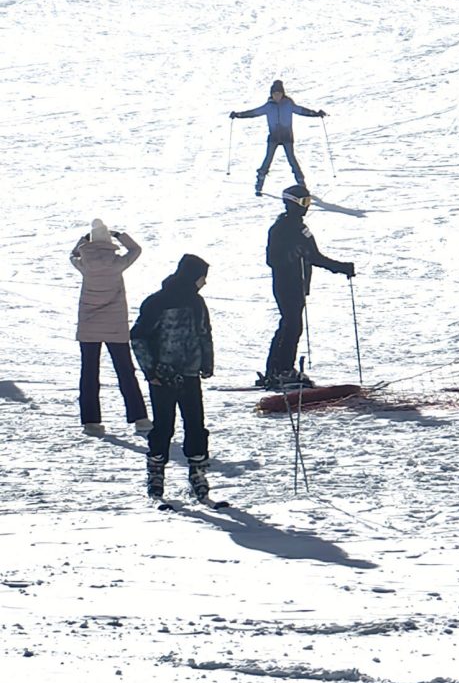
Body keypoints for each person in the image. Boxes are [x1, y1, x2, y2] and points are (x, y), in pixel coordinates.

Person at [130, 254, 215, 503]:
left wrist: (206, 362)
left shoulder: (197, 303)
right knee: (164, 425)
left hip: (190, 374)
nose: (204, 283)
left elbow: (204, 333)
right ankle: (156, 472)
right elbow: (137, 337)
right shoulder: (157, 302)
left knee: (195, 424)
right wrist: (152, 371)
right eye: (202, 277)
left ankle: (198, 472)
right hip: (164, 376)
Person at [259, 184, 353, 390]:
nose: (307, 207)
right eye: (303, 202)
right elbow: (272, 259)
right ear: (291, 204)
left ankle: (276, 369)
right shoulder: (280, 229)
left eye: (308, 202)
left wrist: (341, 267)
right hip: (285, 285)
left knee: (290, 325)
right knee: (292, 325)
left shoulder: (301, 228)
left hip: (298, 284)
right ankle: (282, 370)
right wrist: (292, 254)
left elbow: (315, 257)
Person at [71, 219, 148, 434]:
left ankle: (91, 422)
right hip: (116, 327)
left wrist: (84, 240)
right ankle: (140, 418)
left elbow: (72, 255)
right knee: (125, 371)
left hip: (88, 328)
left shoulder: (84, 264)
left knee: (89, 373)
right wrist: (119, 234)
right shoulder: (118, 263)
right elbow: (136, 249)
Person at [230, 80, 325, 197]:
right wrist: (238, 115)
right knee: (267, 160)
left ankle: (301, 184)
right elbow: (253, 112)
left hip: (287, 137)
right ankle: (259, 183)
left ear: (283, 93)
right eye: (275, 94)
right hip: (274, 137)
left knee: (292, 160)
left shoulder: (288, 104)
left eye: (279, 93)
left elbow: (302, 110)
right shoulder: (268, 106)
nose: (277, 96)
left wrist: (316, 113)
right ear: (272, 94)